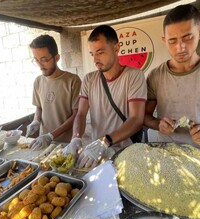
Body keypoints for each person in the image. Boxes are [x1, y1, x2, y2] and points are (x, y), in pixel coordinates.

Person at [63, 25, 147, 169]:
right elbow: (81, 113)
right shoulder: (89, 79)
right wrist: (76, 137)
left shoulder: (134, 76)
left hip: (127, 154)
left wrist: (105, 141)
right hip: (97, 155)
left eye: (100, 52)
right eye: (92, 54)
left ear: (116, 48)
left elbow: (137, 119)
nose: (95, 59)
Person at [144, 4, 200, 147]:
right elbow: (144, 116)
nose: (180, 47)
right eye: (172, 40)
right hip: (168, 157)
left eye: (187, 37)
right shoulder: (156, 76)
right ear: (164, 40)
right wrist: (158, 124)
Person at [26, 35, 82, 150]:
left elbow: (76, 115)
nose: (40, 66)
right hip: (42, 143)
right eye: (36, 60)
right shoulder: (38, 81)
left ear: (57, 58)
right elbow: (39, 106)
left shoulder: (73, 80)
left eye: (44, 60)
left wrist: (51, 135)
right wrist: (36, 120)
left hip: (65, 144)